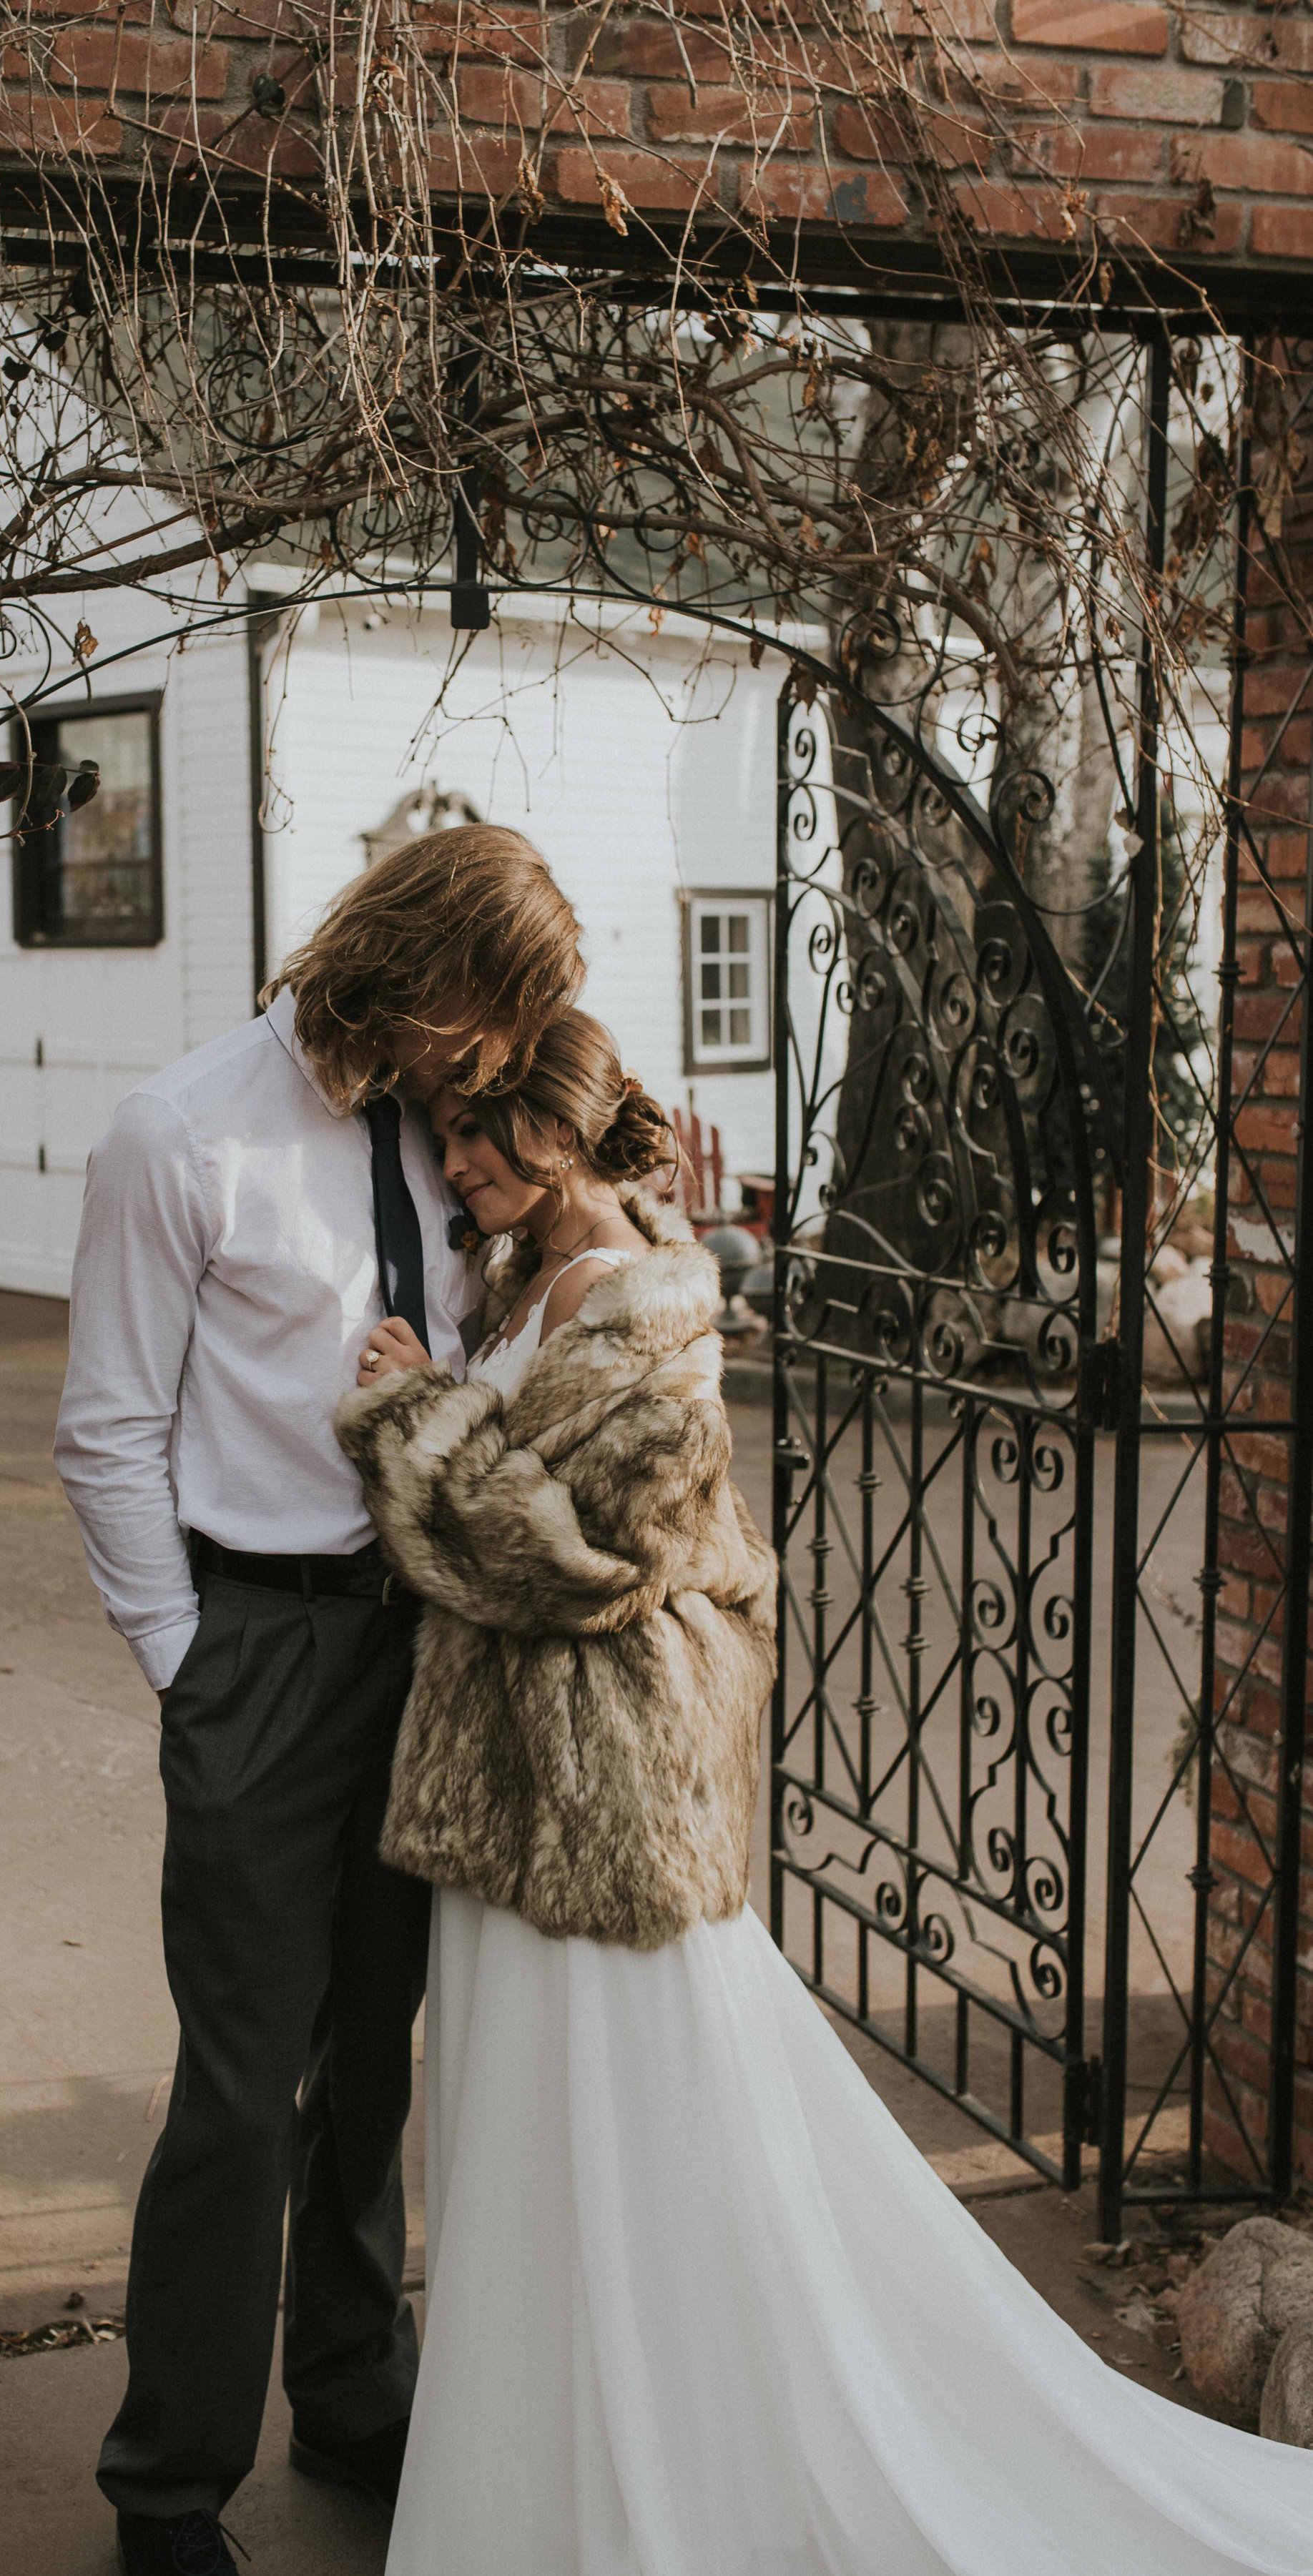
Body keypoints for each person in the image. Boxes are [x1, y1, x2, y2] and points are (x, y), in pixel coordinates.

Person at [340, 1011, 1313, 2576]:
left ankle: (635, 2475)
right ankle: (545, 2472)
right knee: (539, 2153)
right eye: (445, 1133)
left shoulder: (635, 1298)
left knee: (609, 2146)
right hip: (525, 1798)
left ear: (559, 1127)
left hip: (595, 1805)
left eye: (474, 1131)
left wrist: (405, 1413)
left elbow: (567, 1559)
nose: (450, 1163)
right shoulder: (545, 1271)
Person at [53, 824, 584, 2576]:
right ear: (413, 960)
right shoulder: (180, 1133)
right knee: (238, 2076)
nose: (486, 1056)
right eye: (482, 1014)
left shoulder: (447, 1133)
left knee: (373, 2059)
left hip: (421, 1639)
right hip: (261, 1649)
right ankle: (165, 2489)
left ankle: (354, 2392)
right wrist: (189, 1661)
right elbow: (108, 1430)